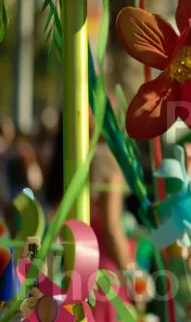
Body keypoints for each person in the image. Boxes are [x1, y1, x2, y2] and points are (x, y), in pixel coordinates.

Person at [44, 116, 145, 320]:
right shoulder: (106, 162)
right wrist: (133, 275)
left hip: (73, 269)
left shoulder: (64, 163)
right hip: (106, 273)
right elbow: (112, 228)